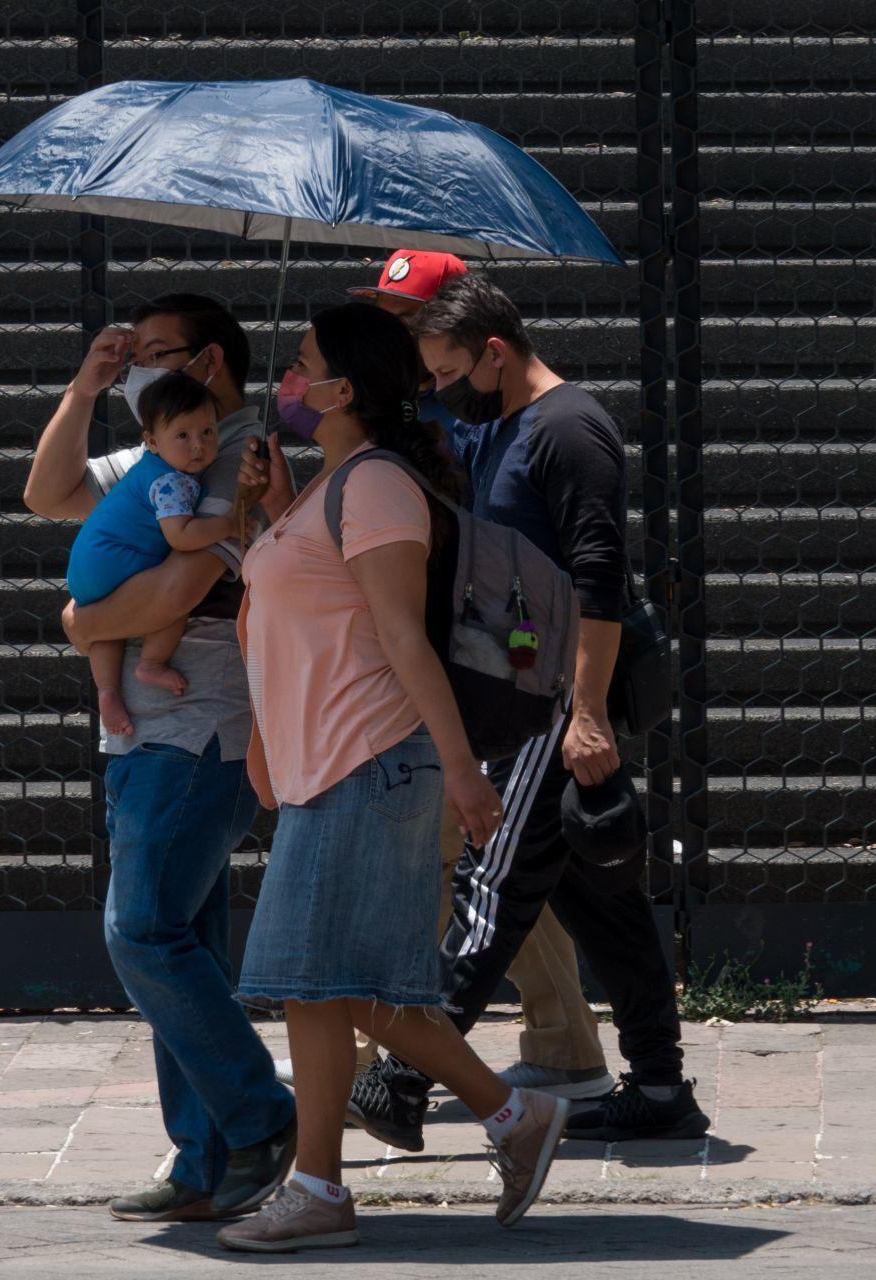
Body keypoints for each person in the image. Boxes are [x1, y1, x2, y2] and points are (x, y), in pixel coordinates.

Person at [215, 303, 569, 1253]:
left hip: (370, 764)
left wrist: (464, 772)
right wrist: (270, 506)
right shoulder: (332, 486)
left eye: (302, 368)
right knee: (345, 986)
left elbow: (405, 641)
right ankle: (510, 1118)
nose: (288, 384)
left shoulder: (375, 489)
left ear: (347, 388)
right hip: (327, 767)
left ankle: (323, 1187)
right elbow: (300, 626)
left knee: (313, 981)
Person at [363, 272, 710, 1144]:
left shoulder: (568, 428)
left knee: (490, 891)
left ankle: (404, 1078)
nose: (442, 390)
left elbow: (599, 579)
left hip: (554, 705)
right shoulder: (500, 426)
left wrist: (585, 712)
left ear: (494, 351)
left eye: (448, 372)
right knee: (603, 901)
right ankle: (663, 1093)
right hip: (525, 696)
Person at [275, 253, 615, 1139]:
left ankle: (430, 1092)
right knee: (495, 881)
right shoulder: (415, 437)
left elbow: (587, 582)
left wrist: (583, 709)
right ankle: (558, 1054)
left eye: (402, 314)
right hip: (412, 714)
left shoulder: (419, 453)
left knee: (384, 935)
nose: (394, 329)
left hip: (423, 714)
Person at [25, 294, 297, 1223]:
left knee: (141, 933)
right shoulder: (162, 443)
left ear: (211, 360)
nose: (138, 366)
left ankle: (260, 1121)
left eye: (155, 354)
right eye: (130, 357)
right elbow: (47, 494)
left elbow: (182, 582)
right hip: (149, 732)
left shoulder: (236, 453)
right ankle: (206, 1158)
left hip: (196, 731)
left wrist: (82, 623)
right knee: (189, 943)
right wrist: (85, 384)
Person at [66, 373, 243, 738]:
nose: (198, 446)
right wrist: (227, 525)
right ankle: (152, 662)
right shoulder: (172, 481)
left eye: (207, 432)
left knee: (109, 627)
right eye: (183, 435)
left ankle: (107, 691)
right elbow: (181, 536)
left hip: (88, 567)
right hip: (115, 560)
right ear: (152, 442)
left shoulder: (149, 469)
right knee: (169, 603)